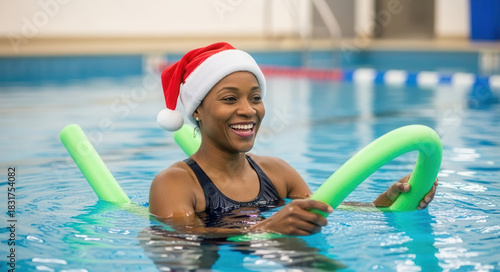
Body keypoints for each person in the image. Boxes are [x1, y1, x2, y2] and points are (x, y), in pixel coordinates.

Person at [149, 42, 438, 236]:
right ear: (197, 110)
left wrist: (388, 201)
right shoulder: (175, 183)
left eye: (256, 98)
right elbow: (179, 246)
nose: (248, 110)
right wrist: (266, 228)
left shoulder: (277, 173)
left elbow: (324, 208)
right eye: (229, 99)